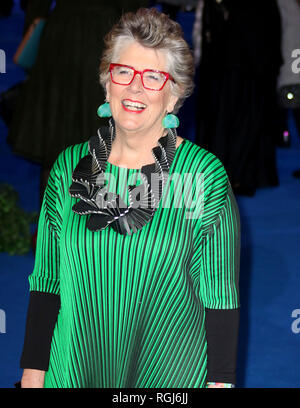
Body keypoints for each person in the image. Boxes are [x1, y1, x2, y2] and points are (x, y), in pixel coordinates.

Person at [19, 8, 240, 388]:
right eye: (124, 72)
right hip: (73, 373)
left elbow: (219, 297)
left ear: (173, 96)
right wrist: (32, 375)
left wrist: (221, 383)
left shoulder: (203, 176)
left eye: (154, 77)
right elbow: (47, 284)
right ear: (108, 83)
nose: (135, 89)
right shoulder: (68, 167)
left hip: (168, 378)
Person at [195, 0, 282, 196]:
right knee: (232, 117)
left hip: (245, 59)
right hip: (231, 60)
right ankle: (232, 174)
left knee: (241, 117)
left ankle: (237, 174)